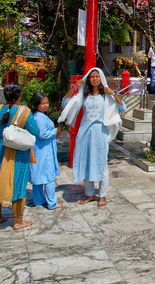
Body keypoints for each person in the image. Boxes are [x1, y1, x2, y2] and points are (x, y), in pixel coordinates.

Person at [59, 68, 126, 207]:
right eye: (92, 77)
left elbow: (122, 107)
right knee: (85, 162)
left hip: (99, 132)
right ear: (88, 79)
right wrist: (74, 88)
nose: (94, 79)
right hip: (84, 132)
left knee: (101, 163)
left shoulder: (105, 94)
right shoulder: (84, 94)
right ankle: (90, 194)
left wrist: (113, 93)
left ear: (101, 78)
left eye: (97, 76)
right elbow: (65, 104)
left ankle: (102, 195)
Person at [0, 82, 39, 229]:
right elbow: (36, 132)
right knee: (18, 183)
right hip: (18, 152)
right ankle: (18, 221)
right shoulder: (24, 111)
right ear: (19, 95)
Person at [29, 93, 62, 210]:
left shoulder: (37, 116)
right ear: (36, 104)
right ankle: (52, 202)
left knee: (38, 175)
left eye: (46, 103)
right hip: (45, 150)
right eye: (42, 103)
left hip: (40, 149)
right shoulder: (39, 118)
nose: (45, 105)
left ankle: (38, 200)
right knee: (49, 176)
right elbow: (42, 134)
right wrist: (55, 131)